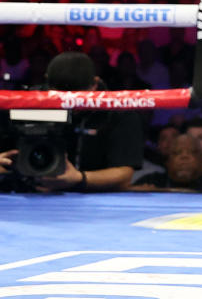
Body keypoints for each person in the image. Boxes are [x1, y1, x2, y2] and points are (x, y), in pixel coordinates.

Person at [0, 51, 145, 193]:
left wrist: (79, 179)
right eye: (62, 98)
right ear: (47, 82)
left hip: (96, 202)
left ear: (95, 83)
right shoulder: (25, 105)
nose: (71, 106)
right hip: (26, 197)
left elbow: (124, 175)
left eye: (77, 98)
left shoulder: (118, 113)